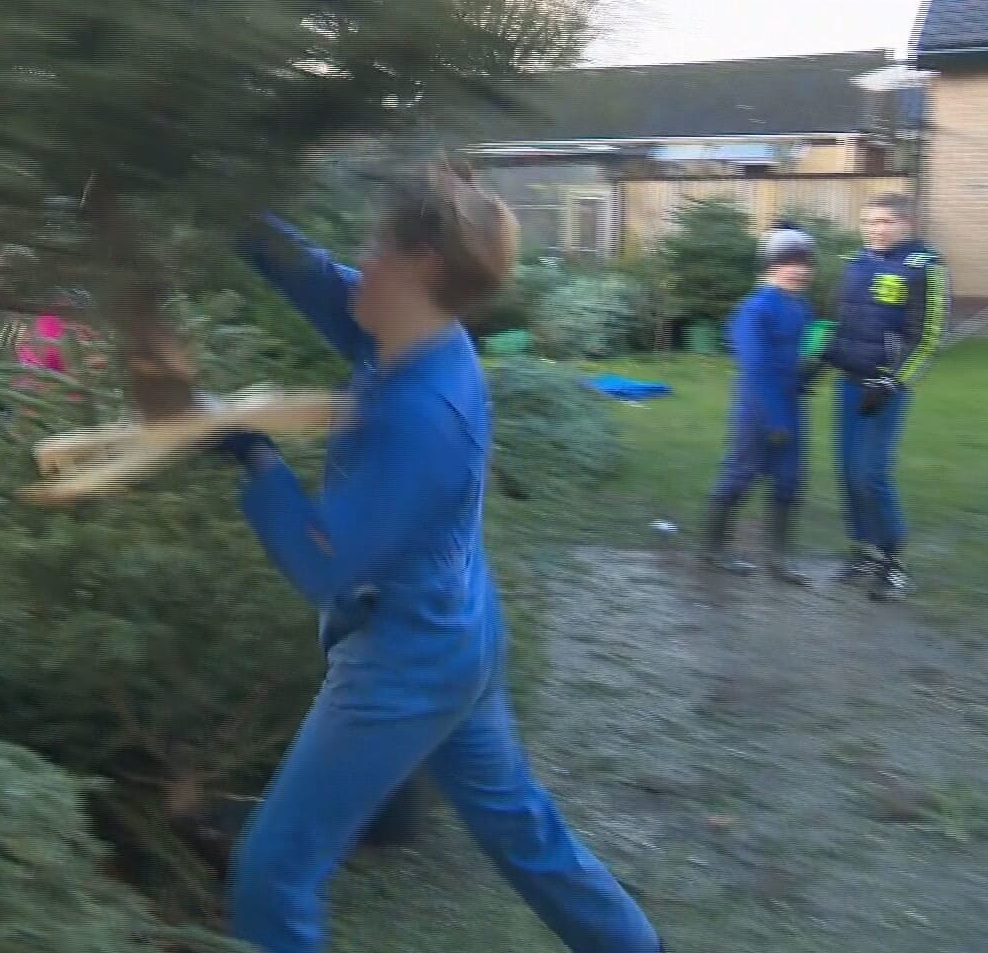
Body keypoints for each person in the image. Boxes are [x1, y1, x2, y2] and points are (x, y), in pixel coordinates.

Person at [221, 166, 663, 953]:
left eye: (375, 245)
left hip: (406, 660)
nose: (361, 258)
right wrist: (222, 204)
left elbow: (327, 565)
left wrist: (257, 461)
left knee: (272, 872)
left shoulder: (422, 413)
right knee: (522, 832)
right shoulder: (414, 337)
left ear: (420, 263)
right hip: (458, 633)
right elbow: (316, 277)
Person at [821, 193, 948, 599]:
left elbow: (927, 338)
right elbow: (840, 324)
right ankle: (865, 550)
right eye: (869, 222)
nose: (875, 229)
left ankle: (894, 565)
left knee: (871, 475)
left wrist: (894, 382)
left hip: (884, 389)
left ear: (906, 224)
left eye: (884, 222)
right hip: (849, 384)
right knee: (847, 471)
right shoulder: (858, 264)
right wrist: (816, 362)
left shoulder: (924, 267)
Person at [699, 225, 818, 583]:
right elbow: (755, 368)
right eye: (788, 262)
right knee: (741, 473)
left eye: (804, 263)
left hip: (791, 407)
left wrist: (815, 366)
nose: (797, 270)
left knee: (789, 480)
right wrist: (776, 418)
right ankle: (712, 549)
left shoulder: (801, 307)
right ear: (771, 266)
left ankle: (778, 559)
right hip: (758, 409)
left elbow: (800, 359)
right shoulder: (755, 309)